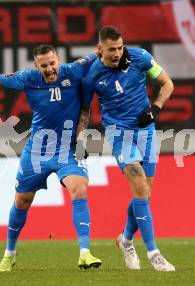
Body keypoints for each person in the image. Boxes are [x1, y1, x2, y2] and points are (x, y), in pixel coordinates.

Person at [0, 44, 102, 271]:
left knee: (79, 188)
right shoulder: (28, 78)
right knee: (22, 201)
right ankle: (9, 254)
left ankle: (85, 253)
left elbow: (97, 55)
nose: (50, 69)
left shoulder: (74, 70)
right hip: (37, 151)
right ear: (36, 66)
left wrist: (101, 51)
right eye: (44, 65)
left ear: (58, 60)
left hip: (67, 150)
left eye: (52, 63)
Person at [81, 26, 175, 271]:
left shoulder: (140, 57)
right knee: (139, 183)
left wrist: (155, 108)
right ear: (100, 48)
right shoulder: (91, 75)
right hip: (118, 132)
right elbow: (84, 110)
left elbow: (167, 84)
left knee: (144, 191)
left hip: (146, 130)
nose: (117, 53)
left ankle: (125, 240)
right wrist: (79, 138)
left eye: (120, 47)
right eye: (112, 49)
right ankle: (154, 253)